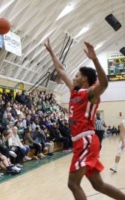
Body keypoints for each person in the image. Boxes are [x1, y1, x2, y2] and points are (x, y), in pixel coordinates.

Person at [45, 38, 125, 199]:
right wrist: (51, 53)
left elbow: (104, 84)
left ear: (84, 79)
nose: (73, 78)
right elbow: (61, 70)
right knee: (98, 184)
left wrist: (94, 59)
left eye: (77, 75)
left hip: (86, 140)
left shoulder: (91, 94)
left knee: (73, 183)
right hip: (82, 141)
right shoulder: (74, 91)